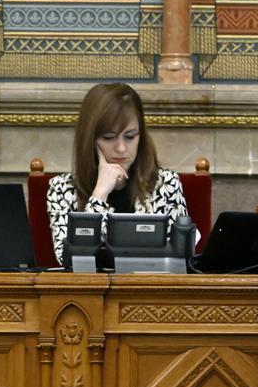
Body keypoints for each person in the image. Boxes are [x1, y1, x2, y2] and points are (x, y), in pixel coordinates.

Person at [46, 83, 189, 264]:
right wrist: (99, 196)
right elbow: (69, 260)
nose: (121, 148)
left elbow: (180, 261)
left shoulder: (166, 183)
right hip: (89, 291)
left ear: (141, 136)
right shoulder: (61, 189)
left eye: (130, 136)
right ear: (89, 139)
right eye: (108, 137)